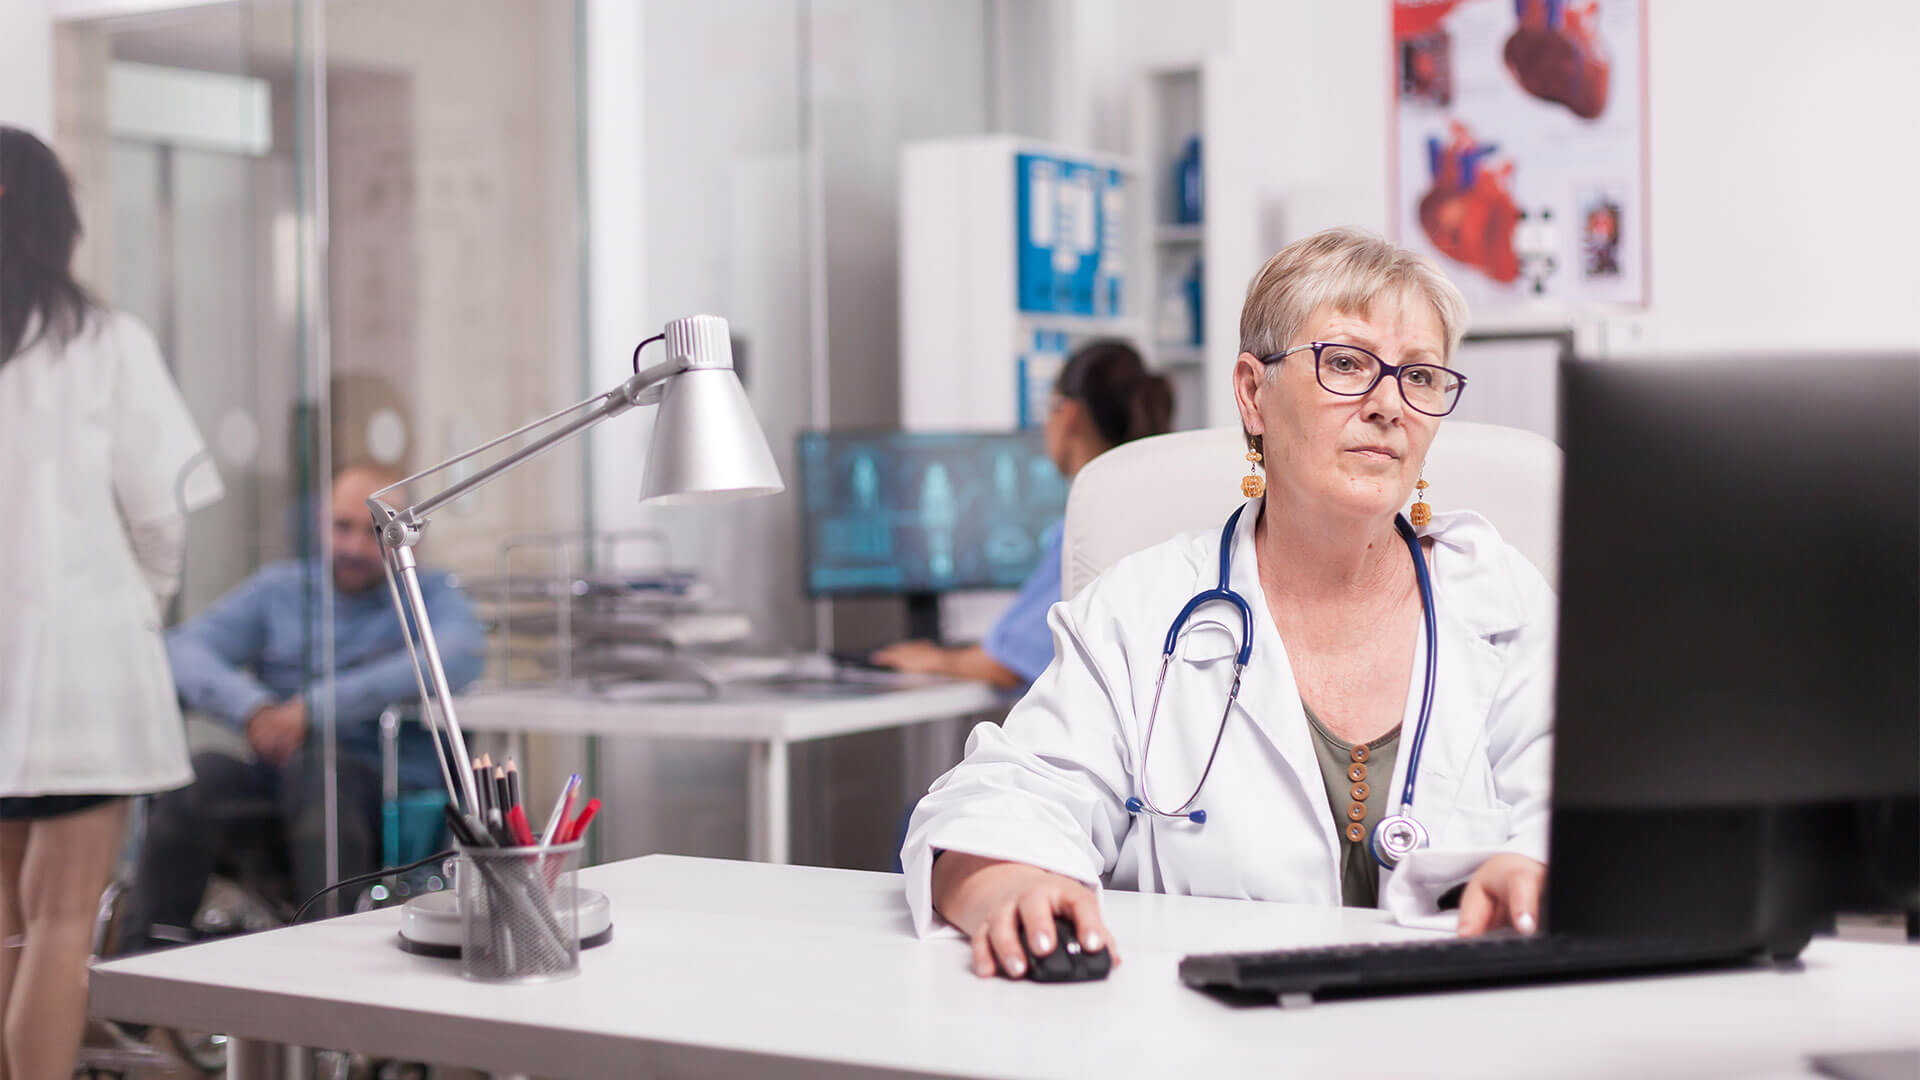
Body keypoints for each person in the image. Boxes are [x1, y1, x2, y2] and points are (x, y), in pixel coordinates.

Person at [903, 227, 1555, 978]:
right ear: (1253, 393)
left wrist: (1540, 868)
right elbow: (1005, 802)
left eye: (1422, 377)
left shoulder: (1506, 604)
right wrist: (1011, 886)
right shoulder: (1141, 612)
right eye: (1346, 363)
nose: (1389, 405)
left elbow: (1587, 820)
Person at [0, 126, 223, 1078]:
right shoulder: (103, 344)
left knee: (9, 919)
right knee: (59, 916)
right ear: (63, 222)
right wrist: (141, 598)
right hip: (80, 673)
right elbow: (165, 511)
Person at [120, 461, 486, 952]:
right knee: (200, 775)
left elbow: (459, 654)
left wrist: (312, 711)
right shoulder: (281, 590)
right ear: (321, 525)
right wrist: (252, 708)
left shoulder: (430, 592)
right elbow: (182, 649)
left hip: (380, 802)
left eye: (375, 530)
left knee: (320, 771)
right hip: (280, 787)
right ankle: (143, 974)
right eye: (343, 527)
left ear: (407, 533)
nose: (355, 547)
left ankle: (328, 964)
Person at [871, 342, 1174, 689]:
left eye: (1050, 409)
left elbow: (1013, 660)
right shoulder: (1144, 511)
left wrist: (936, 659)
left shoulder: (1090, 527)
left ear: (1070, 414)